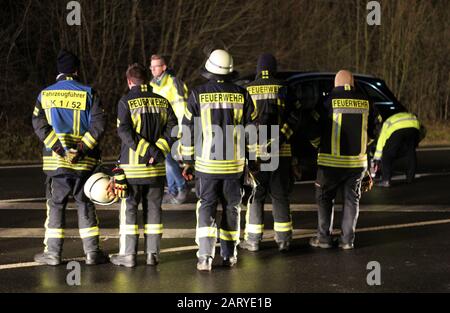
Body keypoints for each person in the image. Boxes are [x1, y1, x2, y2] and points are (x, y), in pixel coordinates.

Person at [180, 49, 257, 271]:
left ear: (210, 70)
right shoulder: (242, 94)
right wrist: (252, 161)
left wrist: (187, 160)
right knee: (232, 208)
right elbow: (253, 130)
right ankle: (229, 255)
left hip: (206, 166)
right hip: (234, 165)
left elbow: (187, 130)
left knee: (207, 207)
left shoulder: (196, 94)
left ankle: (205, 257)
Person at [32, 49, 108, 266]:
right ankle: (92, 253)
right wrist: (81, 149)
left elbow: (38, 124)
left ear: (59, 71)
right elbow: (99, 125)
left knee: (56, 205)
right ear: (76, 70)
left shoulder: (45, 94)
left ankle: (53, 254)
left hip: (57, 164)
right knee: (85, 204)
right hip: (84, 163)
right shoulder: (89, 93)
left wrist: (59, 149)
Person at [109, 63, 178, 267]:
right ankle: (152, 255)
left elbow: (124, 132)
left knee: (129, 209)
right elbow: (174, 128)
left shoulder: (125, 101)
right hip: (156, 168)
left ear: (129, 81)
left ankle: (128, 256)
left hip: (132, 169)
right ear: (146, 80)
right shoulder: (162, 101)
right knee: (154, 210)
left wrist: (147, 151)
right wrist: (158, 151)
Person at [308, 70, 380, 250]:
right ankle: (347, 240)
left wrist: (319, 144)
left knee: (324, 199)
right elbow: (376, 128)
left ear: (336, 84)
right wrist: (365, 144)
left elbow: (311, 127)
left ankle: (324, 238)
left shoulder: (327, 102)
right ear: (353, 84)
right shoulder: (367, 102)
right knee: (352, 201)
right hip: (357, 164)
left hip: (329, 163)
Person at [239, 53, 298, 252]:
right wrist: (281, 137)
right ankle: (283, 240)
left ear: (258, 69)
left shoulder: (246, 90)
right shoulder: (285, 88)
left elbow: (243, 123)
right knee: (280, 195)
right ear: (274, 69)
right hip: (281, 152)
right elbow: (296, 118)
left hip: (256, 153)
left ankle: (254, 240)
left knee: (256, 195)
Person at [149, 54, 189, 204]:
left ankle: (181, 187)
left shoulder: (174, 82)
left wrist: (181, 129)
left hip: (174, 127)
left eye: (156, 66)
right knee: (167, 159)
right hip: (160, 129)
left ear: (164, 67)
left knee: (168, 158)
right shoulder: (152, 85)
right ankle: (173, 191)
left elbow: (182, 107)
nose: (152, 69)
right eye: (151, 66)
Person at [373, 110, 424, 187]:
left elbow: (381, 141)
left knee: (387, 154)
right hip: (414, 126)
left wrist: (377, 159)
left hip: (397, 130)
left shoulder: (387, 122)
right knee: (411, 152)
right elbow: (422, 132)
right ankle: (410, 178)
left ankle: (386, 181)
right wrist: (415, 144)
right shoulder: (407, 115)